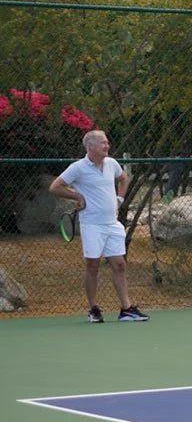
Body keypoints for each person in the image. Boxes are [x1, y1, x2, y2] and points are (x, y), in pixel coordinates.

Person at [48, 130, 149, 323]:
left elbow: (123, 178)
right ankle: (94, 309)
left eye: (107, 143)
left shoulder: (112, 163)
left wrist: (119, 198)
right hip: (92, 224)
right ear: (91, 147)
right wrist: (77, 196)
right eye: (103, 143)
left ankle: (126, 309)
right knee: (92, 265)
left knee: (119, 265)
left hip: (112, 224)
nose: (107, 146)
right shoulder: (78, 168)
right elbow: (55, 186)